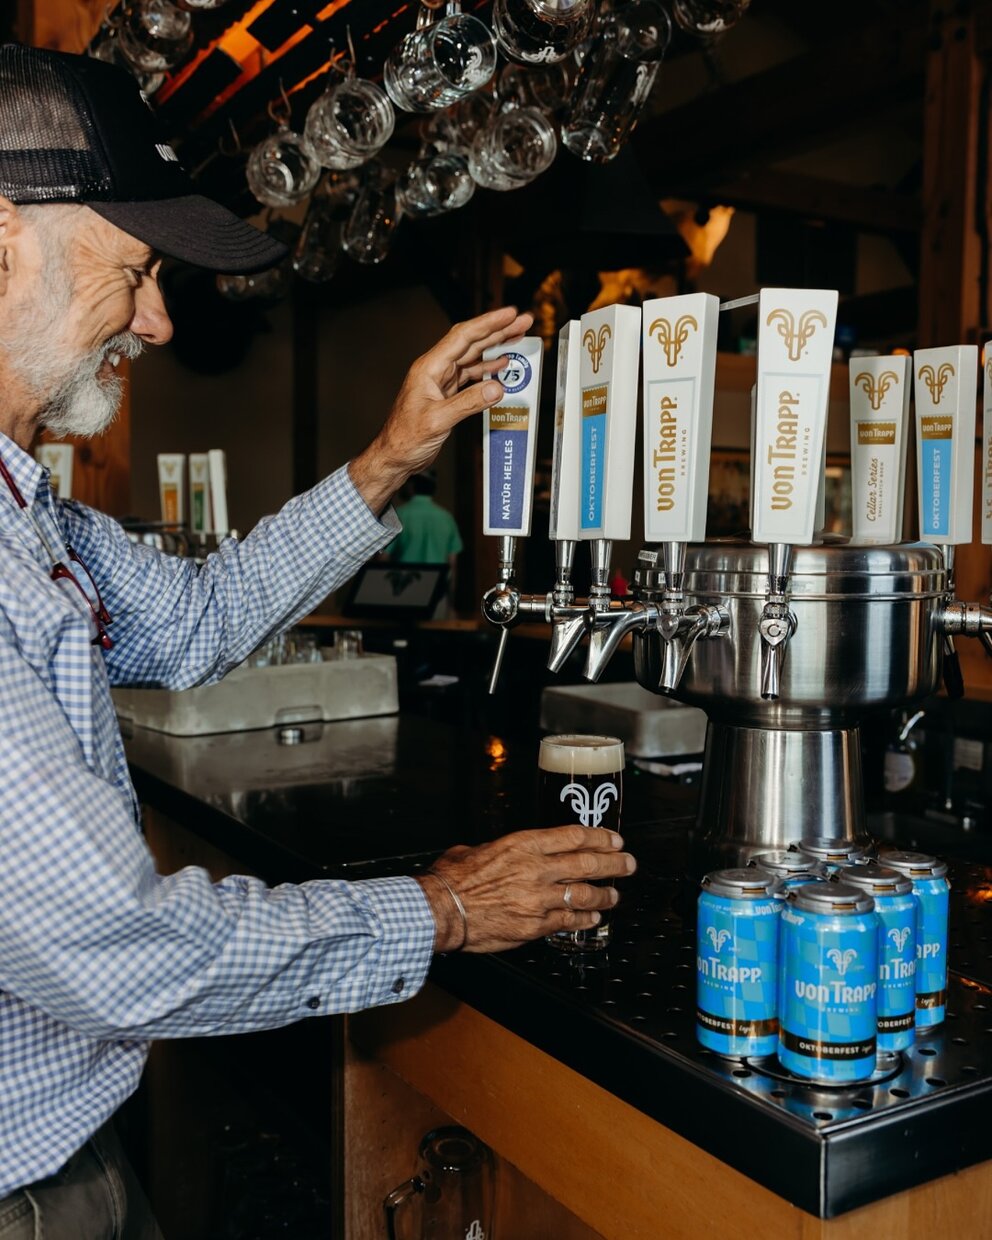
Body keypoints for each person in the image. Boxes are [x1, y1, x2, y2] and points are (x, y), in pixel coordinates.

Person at [0, 44, 636, 1239]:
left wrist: (391, 453)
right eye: (135, 272)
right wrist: (441, 909)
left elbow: (194, 617)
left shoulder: (26, 509)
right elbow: (120, 947)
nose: (157, 316)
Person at [389, 468, 464, 607]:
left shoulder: (399, 515)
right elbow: (452, 563)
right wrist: (451, 599)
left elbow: (383, 559)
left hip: (403, 590)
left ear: (412, 486)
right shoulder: (447, 518)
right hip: (438, 590)